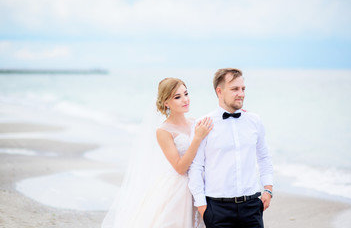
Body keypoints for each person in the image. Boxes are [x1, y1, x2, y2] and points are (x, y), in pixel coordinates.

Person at [101, 77, 213, 228]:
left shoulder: (195, 122)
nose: (185, 100)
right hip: (180, 189)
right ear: (166, 102)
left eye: (186, 94)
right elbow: (180, 168)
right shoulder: (163, 131)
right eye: (177, 97)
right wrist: (197, 139)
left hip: (200, 181)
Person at [188, 68, 273, 228]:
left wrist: (268, 189)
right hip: (217, 210)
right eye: (234, 89)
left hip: (252, 206)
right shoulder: (203, 124)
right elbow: (196, 167)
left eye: (243, 89)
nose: (241, 93)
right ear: (219, 91)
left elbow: (264, 156)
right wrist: (202, 206)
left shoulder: (254, 121)